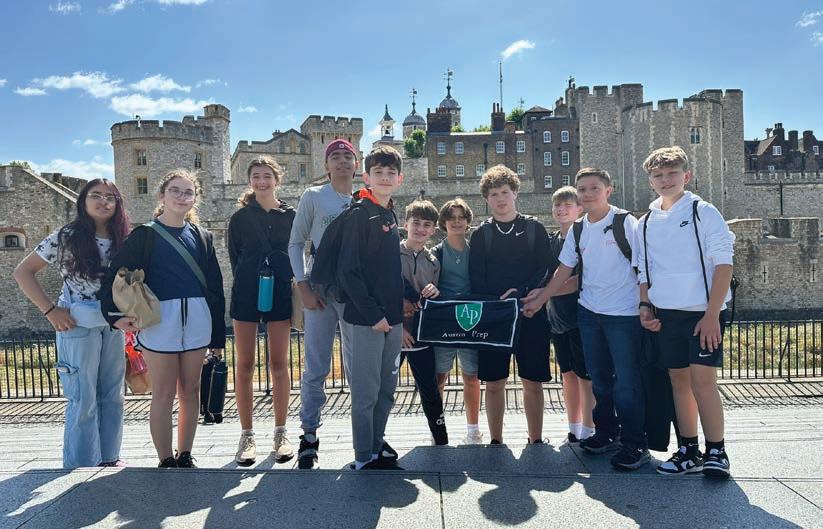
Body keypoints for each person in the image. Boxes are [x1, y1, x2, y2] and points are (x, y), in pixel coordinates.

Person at [522, 167, 649, 470]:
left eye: (594, 188)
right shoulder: (579, 229)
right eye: (582, 189)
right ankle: (606, 432)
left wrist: (646, 304)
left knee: (626, 382)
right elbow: (563, 270)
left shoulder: (625, 223)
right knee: (599, 379)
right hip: (590, 313)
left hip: (624, 313)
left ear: (609, 190)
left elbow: (644, 265)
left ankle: (635, 442)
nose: (588, 194)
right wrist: (541, 298)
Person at [99, 169, 225, 469]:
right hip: (159, 321)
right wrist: (113, 316)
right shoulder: (144, 235)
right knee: (164, 393)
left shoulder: (203, 237)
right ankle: (165, 458)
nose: (182, 197)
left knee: (191, 391)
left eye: (188, 192)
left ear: (195, 199)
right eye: (175, 191)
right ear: (162, 196)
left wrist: (218, 336)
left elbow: (215, 288)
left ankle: (185, 454)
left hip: (197, 319)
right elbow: (114, 275)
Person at [13, 179, 130, 469]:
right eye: (96, 195)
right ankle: (81, 464)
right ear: (83, 201)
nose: (103, 201)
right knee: (82, 397)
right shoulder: (66, 237)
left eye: (110, 197)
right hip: (77, 324)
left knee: (113, 394)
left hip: (113, 325)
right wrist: (50, 310)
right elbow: (23, 272)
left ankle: (109, 457)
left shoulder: (123, 238)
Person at [637, 146, 735, 478]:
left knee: (703, 381)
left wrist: (712, 315)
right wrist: (645, 307)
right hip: (667, 314)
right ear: (651, 181)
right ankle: (688, 449)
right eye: (658, 175)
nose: (665, 180)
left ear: (686, 176)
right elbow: (644, 270)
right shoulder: (646, 222)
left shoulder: (703, 212)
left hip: (702, 314)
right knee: (678, 380)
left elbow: (724, 264)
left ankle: (717, 450)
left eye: (672, 173)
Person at [288, 138, 359, 469]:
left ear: (356, 164)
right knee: (316, 364)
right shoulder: (314, 196)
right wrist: (302, 285)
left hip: (354, 293)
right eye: (336, 156)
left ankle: (364, 434)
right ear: (327, 165)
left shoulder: (363, 199)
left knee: (357, 366)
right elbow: (295, 243)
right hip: (319, 290)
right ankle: (309, 433)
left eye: (348, 156)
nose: (342, 161)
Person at [469, 165, 552, 445]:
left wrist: (521, 292)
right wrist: (501, 299)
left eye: (505, 192)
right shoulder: (481, 234)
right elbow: (476, 279)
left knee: (532, 381)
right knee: (494, 383)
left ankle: (535, 440)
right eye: (494, 194)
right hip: (495, 317)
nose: (500, 199)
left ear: (515, 193)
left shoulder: (534, 228)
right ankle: (496, 441)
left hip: (530, 312)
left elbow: (546, 269)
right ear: (486, 199)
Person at [337, 146, 405, 470]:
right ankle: (363, 456)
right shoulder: (359, 214)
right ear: (366, 177)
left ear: (400, 179)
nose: (385, 177)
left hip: (393, 318)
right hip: (367, 319)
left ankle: (377, 448)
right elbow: (347, 272)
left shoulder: (390, 213)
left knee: (387, 389)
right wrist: (373, 314)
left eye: (391, 173)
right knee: (366, 392)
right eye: (379, 172)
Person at [228, 156, 296, 466]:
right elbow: (235, 258)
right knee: (244, 365)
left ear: (276, 179)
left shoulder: (291, 216)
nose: (261, 181)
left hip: (279, 292)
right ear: (250, 181)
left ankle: (281, 432)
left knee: (279, 364)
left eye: (267, 176)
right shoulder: (240, 218)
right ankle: (246, 435)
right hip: (246, 293)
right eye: (256, 176)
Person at [431, 198, 483, 444]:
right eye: (451, 218)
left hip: (471, 317)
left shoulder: (477, 252)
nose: (457, 222)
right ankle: (437, 428)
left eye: (461, 217)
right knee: (439, 377)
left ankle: (473, 430)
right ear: (443, 222)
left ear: (468, 221)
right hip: (444, 320)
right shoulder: (436, 253)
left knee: (472, 377)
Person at [546, 186, 595, 444]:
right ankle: (574, 428)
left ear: (579, 209)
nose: (561, 209)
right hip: (557, 318)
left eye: (567, 205)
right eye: (558, 205)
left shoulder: (584, 237)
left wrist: (546, 291)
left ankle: (589, 428)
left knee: (586, 376)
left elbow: (580, 279)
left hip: (580, 317)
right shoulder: (552, 240)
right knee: (567, 375)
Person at [399, 199, 448, 446]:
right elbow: (381, 294)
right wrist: (398, 329)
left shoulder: (434, 262)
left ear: (433, 230)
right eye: (416, 223)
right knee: (381, 389)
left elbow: (433, 299)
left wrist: (435, 292)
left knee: (429, 389)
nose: (420, 229)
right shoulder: (390, 254)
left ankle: (441, 440)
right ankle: (373, 442)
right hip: (393, 333)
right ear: (405, 224)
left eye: (426, 225)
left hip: (421, 333)